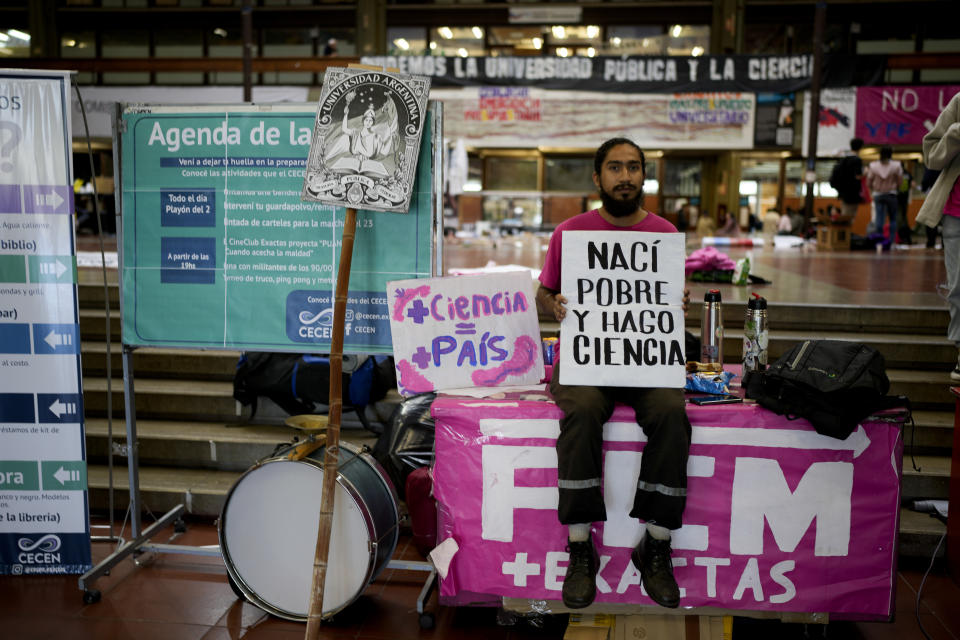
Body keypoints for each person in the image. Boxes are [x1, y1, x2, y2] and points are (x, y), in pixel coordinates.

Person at [535, 138, 692, 610]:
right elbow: (543, 291)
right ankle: (580, 545)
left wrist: (675, 304)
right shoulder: (570, 232)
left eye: (633, 167)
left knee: (671, 411)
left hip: (644, 358)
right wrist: (553, 302)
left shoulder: (665, 234)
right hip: (588, 357)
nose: (625, 176)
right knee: (581, 409)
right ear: (597, 177)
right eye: (615, 168)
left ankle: (657, 542)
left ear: (643, 175)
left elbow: (667, 298)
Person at [917, 92, 960, 380]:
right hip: (956, 213)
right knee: (959, 286)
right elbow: (931, 157)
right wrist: (956, 133)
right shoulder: (959, 102)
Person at [866, 146, 904, 244]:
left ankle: (879, 240)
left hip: (878, 194)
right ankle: (891, 242)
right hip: (892, 194)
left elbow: (869, 182)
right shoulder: (897, 165)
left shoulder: (873, 166)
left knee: (879, 218)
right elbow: (900, 181)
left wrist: (871, 191)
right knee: (893, 219)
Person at [833, 138, 865, 220]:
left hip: (843, 192)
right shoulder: (857, 160)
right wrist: (866, 172)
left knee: (845, 214)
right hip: (852, 193)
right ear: (860, 148)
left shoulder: (844, 159)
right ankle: (845, 233)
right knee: (849, 217)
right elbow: (858, 176)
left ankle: (844, 232)